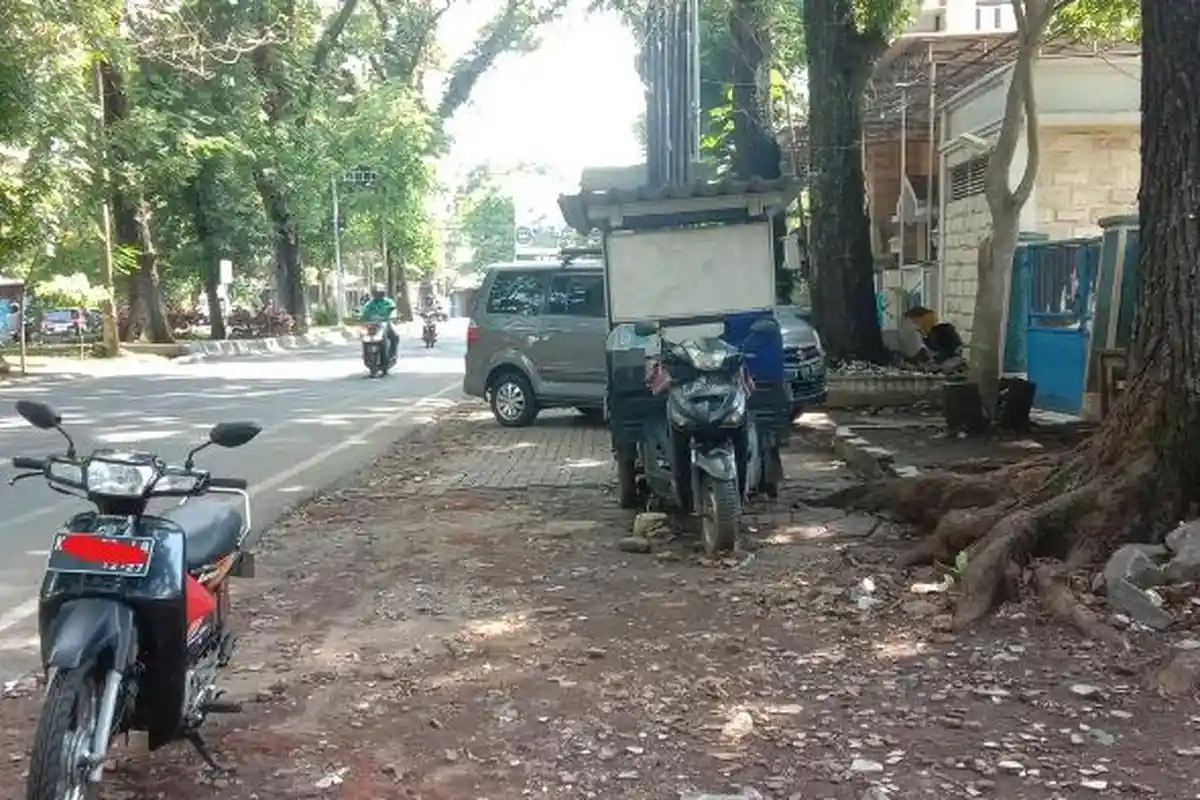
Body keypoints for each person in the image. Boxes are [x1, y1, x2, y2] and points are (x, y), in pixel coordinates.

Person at [902, 306, 965, 374]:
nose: (916, 327)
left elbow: (950, 350)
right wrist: (910, 362)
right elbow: (925, 352)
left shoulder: (944, 330)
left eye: (915, 322)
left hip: (951, 369)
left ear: (923, 319)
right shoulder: (927, 336)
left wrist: (934, 361)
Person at [359, 283, 399, 362]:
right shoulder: (369, 303)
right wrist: (360, 317)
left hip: (385, 323)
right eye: (376, 292)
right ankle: (365, 355)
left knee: (395, 336)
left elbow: (393, 310)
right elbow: (363, 312)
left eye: (379, 292)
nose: (378, 294)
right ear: (373, 293)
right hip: (372, 325)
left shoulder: (388, 302)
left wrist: (392, 316)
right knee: (364, 336)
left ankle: (392, 354)